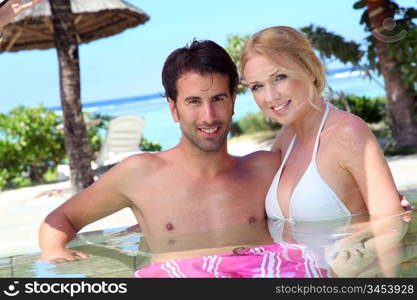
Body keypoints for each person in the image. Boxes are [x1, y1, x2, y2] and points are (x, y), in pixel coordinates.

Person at [39, 40, 283, 263]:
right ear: (173, 108)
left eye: (218, 99)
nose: (208, 117)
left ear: (233, 100)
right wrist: (55, 255)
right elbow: (61, 219)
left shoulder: (264, 170)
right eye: (194, 102)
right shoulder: (140, 174)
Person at [241, 26, 405, 222]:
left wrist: (357, 237)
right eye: (257, 86)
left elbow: (390, 226)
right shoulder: (284, 139)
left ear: (309, 70)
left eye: (279, 77)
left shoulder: (348, 132)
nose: (270, 96)